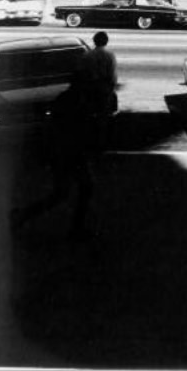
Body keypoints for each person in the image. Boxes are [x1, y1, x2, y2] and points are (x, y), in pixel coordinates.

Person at [10, 32, 118, 241]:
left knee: (64, 192)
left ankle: (25, 216)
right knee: (71, 190)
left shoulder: (70, 96)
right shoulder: (77, 100)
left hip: (65, 152)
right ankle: (63, 226)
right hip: (68, 152)